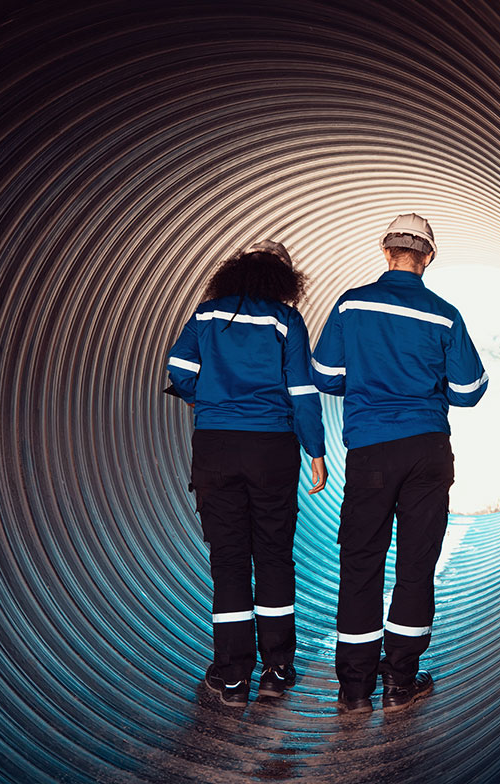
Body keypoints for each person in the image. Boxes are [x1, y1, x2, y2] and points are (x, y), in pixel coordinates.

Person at [309, 213, 488, 712]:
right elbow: (470, 390)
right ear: (428, 257)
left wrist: (366, 380)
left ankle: (354, 687)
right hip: (427, 449)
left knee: (360, 562)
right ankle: (399, 681)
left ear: (386, 251)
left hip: (371, 450)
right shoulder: (445, 315)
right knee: (415, 564)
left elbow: (324, 374)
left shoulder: (352, 303)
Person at [164, 240, 328, 707]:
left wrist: (207, 400)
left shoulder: (206, 315)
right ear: (283, 282)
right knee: (274, 557)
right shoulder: (286, 320)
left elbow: (179, 369)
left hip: (216, 447)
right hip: (272, 448)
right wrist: (315, 450)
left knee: (230, 562)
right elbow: (301, 390)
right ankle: (277, 668)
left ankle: (233, 676)